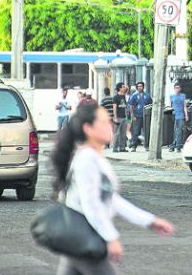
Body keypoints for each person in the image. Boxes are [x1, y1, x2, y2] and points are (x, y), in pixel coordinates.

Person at [50, 104, 174, 274]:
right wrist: (111, 237)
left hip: (80, 238)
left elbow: (110, 199)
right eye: (103, 122)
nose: (110, 125)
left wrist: (149, 221)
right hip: (85, 237)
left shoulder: (95, 158)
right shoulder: (87, 159)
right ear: (88, 129)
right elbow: (91, 204)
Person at [127, 82, 152, 152]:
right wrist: (132, 116)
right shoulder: (134, 96)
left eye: (141, 86)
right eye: (138, 86)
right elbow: (131, 106)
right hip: (137, 116)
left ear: (143, 87)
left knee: (147, 132)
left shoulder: (147, 96)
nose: (139, 87)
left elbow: (151, 105)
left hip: (146, 116)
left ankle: (147, 146)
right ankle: (134, 146)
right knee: (136, 132)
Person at [169, 84, 188, 152]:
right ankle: (174, 145)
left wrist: (186, 115)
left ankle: (178, 146)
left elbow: (184, 106)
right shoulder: (171, 96)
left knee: (179, 130)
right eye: (176, 88)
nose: (177, 89)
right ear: (174, 89)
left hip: (180, 115)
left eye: (178, 88)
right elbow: (170, 106)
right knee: (175, 131)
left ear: (180, 89)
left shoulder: (182, 96)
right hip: (174, 114)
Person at [111, 83, 128, 152]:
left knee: (123, 134)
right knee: (117, 133)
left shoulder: (123, 96)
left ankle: (122, 148)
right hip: (118, 117)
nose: (124, 88)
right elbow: (114, 107)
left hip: (124, 117)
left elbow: (127, 89)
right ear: (120, 88)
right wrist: (115, 118)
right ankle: (115, 148)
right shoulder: (116, 97)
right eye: (123, 87)